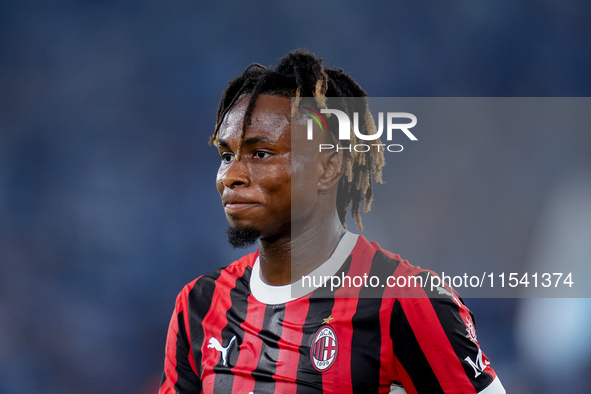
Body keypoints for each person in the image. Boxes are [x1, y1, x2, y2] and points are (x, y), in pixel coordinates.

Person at [159, 49, 505, 393]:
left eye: (261, 154)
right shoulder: (199, 305)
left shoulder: (405, 300)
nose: (231, 175)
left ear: (327, 168)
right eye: (226, 155)